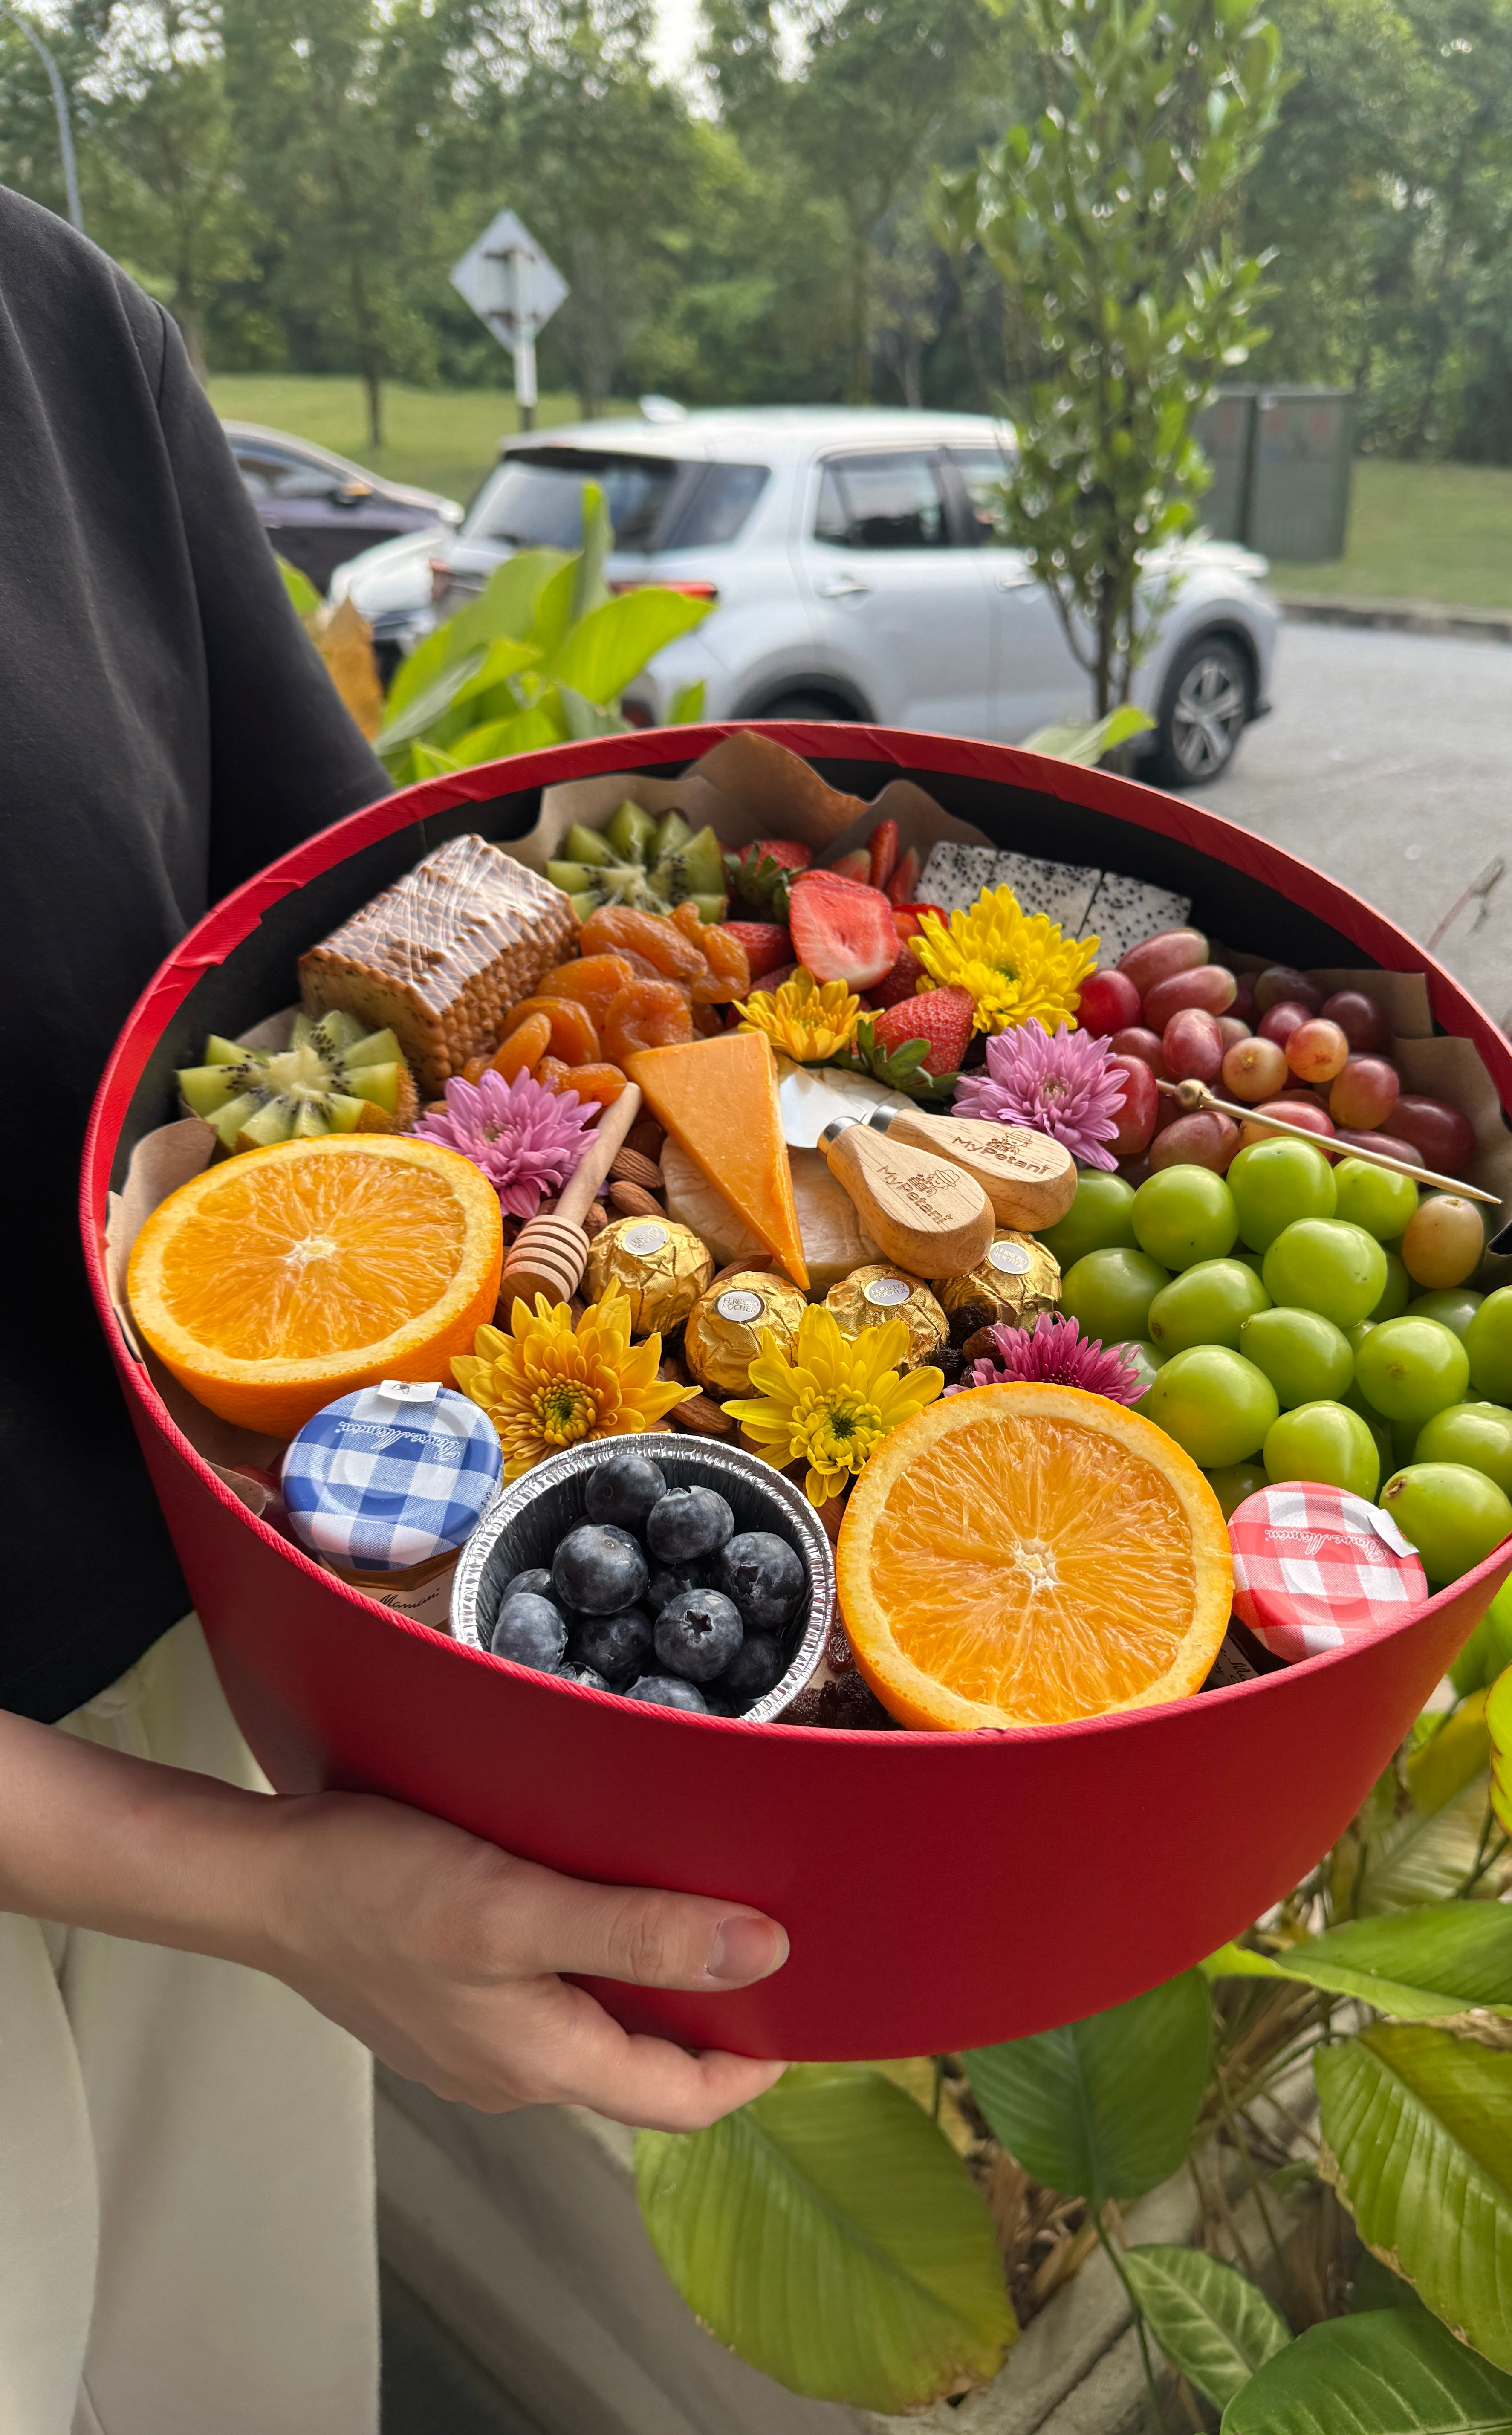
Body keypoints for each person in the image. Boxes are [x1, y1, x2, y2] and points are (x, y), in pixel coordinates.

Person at [0, 184, 786, 2435]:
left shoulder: (46, 320)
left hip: (189, 1679)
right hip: (210, 1838)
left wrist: (778, 1055)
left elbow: (363, 930)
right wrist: (254, 1887)